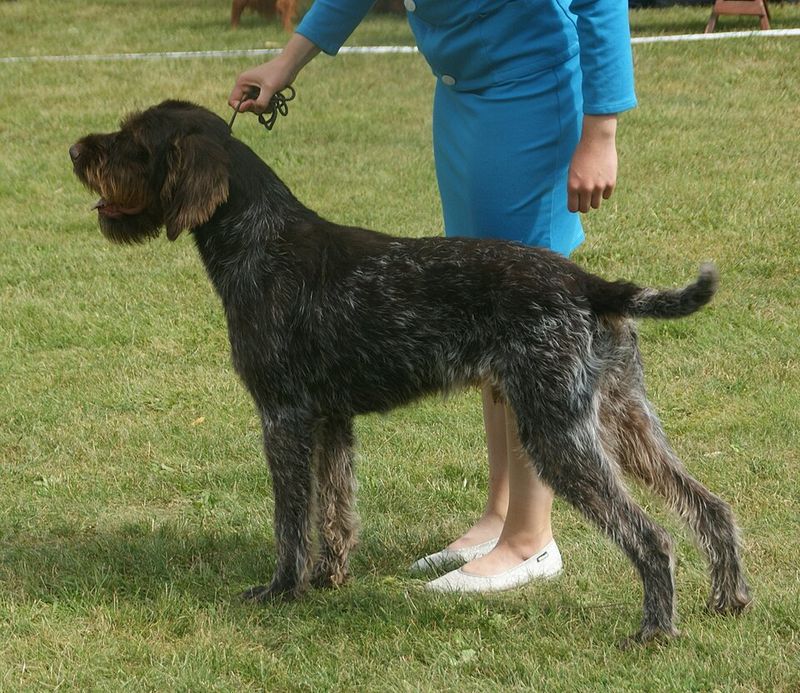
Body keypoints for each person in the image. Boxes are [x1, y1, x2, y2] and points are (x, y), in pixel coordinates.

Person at [229, 0, 636, 593]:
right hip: (465, 99)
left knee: (521, 323)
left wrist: (600, 132)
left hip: (528, 95)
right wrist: (287, 62)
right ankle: (501, 515)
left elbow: (600, 2)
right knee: (483, 317)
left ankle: (531, 539)